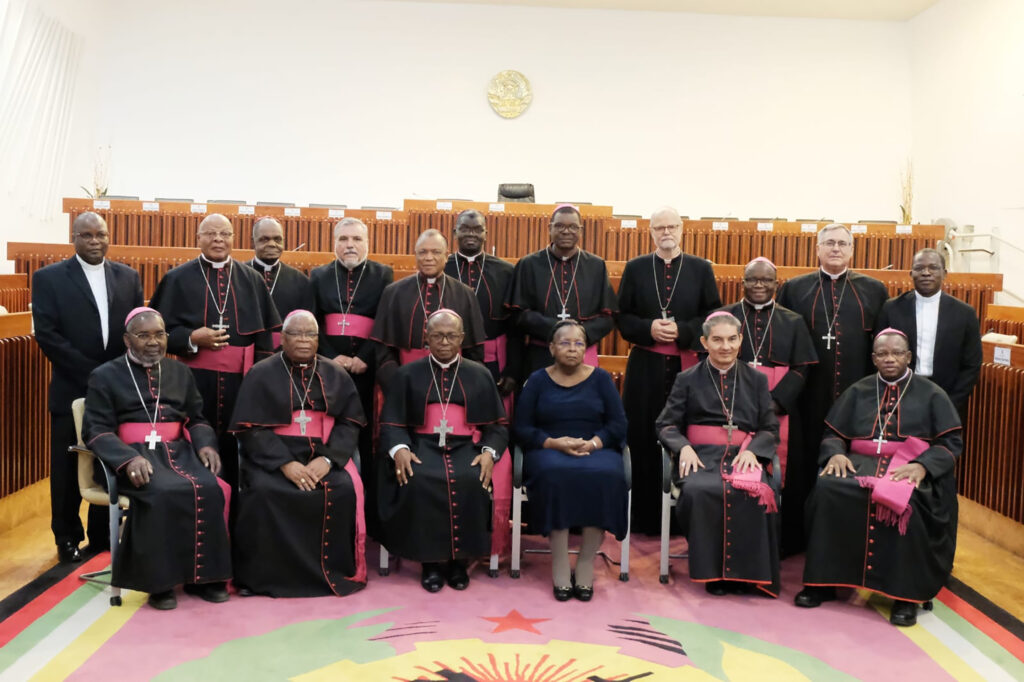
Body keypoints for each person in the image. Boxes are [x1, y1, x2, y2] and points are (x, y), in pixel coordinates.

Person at [795, 329, 963, 627]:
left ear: (909, 356)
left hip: (908, 466)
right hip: (859, 463)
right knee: (829, 489)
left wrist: (924, 466)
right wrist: (835, 453)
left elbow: (951, 443)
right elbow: (833, 433)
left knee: (911, 499)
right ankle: (822, 582)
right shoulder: (858, 390)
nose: (889, 359)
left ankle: (905, 596)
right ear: (873, 358)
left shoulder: (932, 394)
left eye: (897, 353)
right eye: (882, 354)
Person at [83, 308, 230, 610]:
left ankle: (204, 578)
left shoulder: (179, 372)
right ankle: (160, 585)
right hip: (130, 457)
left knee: (210, 487)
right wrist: (127, 459)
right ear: (127, 339)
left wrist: (206, 445)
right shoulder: (105, 375)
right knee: (161, 492)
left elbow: (197, 418)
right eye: (144, 335)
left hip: (178, 453)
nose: (154, 342)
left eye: (160, 334)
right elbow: (95, 430)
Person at [229, 310, 367, 597]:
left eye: (310, 334)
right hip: (274, 456)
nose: (304, 340)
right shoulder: (261, 373)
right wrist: (285, 464)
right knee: (265, 492)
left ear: (318, 339)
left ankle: (329, 573)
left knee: (341, 489)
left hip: (323, 452)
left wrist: (328, 459)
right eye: (296, 334)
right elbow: (249, 429)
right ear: (283, 338)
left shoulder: (335, 373)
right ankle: (265, 578)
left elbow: (350, 422)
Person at [31, 211, 144, 562]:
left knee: (108, 461)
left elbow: (135, 329)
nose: (95, 241)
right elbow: (48, 336)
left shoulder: (128, 277)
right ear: (74, 237)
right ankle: (66, 536)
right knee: (67, 469)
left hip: (115, 392)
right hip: (72, 387)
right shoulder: (48, 278)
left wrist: (113, 378)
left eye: (101, 235)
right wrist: (96, 375)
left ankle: (101, 535)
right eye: (87, 235)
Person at [378, 310, 508, 593]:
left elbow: (497, 426)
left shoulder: (480, 374)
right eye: (438, 335)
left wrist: (488, 453)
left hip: (467, 446)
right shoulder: (407, 374)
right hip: (421, 445)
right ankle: (431, 563)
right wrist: (400, 449)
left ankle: (460, 562)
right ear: (427, 338)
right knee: (418, 478)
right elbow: (391, 422)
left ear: (462, 338)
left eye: (451, 335)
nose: (445, 341)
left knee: (472, 479)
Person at [776, 224, 888, 552]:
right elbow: (784, 341)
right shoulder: (795, 289)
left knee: (852, 467)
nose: (836, 248)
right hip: (806, 397)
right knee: (802, 464)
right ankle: (797, 537)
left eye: (842, 244)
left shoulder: (874, 290)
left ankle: (846, 542)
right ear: (818, 248)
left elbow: (881, 346)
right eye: (829, 243)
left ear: (852, 250)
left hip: (857, 398)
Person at [149, 213, 280, 490]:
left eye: (225, 233)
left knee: (236, 451)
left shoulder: (252, 279)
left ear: (234, 239)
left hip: (242, 384)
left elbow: (265, 338)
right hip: (193, 382)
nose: (218, 239)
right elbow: (158, 335)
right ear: (198, 238)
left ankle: (234, 521)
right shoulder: (177, 278)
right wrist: (191, 337)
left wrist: (259, 381)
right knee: (194, 446)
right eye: (210, 233)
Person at [656, 312, 781, 597]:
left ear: (740, 341)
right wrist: (683, 446)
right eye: (718, 340)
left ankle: (746, 576)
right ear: (704, 342)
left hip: (743, 456)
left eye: (732, 339)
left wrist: (756, 451)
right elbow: (666, 423)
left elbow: (769, 427)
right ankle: (713, 573)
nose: (725, 346)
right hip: (700, 456)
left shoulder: (756, 379)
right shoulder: (687, 378)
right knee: (701, 490)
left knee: (755, 490)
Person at [615, 206, 720, 534]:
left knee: (686, 434)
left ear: (682, 229)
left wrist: (683, 331)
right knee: (643, 436)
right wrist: (649, 329)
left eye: (671, 226)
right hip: (645, 367)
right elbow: (623, 318)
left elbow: (712, 314)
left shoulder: (701, 268)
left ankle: (682, 520)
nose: (666, 233)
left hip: (685, 365)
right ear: (650, 232)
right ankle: (643, 516)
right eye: (659, 228)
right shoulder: (636, 268)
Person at [513, 320, 628, 601]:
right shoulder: (538, 380)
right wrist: (554, 443)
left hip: (595, 448)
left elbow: (618, 425)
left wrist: (593, 443)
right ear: (551, 348)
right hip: (549, 449)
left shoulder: (600, 379)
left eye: (579, 343)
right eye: (565, 343)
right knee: (555, 475)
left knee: (607, 475)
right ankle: (560, 562)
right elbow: (521, 427)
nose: (573, 349)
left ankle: (586, 561)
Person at [719, 257, 818, 555]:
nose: (759, 285)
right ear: (743, 282)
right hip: (731, 408)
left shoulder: (793, 320)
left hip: (779, 409)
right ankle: (731, 541)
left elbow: (802, 367)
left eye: (766, 280)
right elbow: (710, 360)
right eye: (753, 280)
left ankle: (779, 544)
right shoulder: (725, 318)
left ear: (777, 284)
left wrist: (775, 401)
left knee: (782, 474)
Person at [310, 217, 394, 534]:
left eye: (356, 239)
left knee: (368, 440)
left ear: (367, 243)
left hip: (366, 371)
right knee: (330, 434)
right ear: (334, 243)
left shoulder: (382, 275)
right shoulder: (318, 276)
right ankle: (333, 509)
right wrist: (333, 357)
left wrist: (363, 359)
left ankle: (369, 515)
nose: (350, 245)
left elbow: (384, 322)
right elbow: (313, 322)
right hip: (328, 371)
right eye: (344, 238)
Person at [507, 204, 617, 375]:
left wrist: (578, 334)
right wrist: (555, 329)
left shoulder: (596, 266)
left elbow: (608, 318)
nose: (566, 231)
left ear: (581, 230)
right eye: (559, 226)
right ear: (549, 229)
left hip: (582, 355)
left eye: (573, 226)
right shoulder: (529, 264)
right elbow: (518, 315)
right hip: (540, 355)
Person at [371, 229, 486, 390]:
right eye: (423, 252)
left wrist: (462, 383)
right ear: (415, 255)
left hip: (454, 380)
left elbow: (474, 351)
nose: (428, 257)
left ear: (446, 256)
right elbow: (383, 349)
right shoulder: (393, 292)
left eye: (436, 252)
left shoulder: (465, 294)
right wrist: (397, 383)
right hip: (405, 378)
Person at [876, 248, 982, 422]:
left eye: (933, 267)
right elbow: (878, 355)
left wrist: (952, 401)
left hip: (947, 396)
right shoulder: (891, 308)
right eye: (919, 268)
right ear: (911, 273)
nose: (926, 273)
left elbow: (972, 364)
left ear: (945, 273)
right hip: (899, 393)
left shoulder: (965, 313)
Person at [444, 209, 522, 393]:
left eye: (478, 229)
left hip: (493, 361)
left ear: (486, 234)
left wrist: (512, 371)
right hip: (447, 357)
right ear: (455, 233)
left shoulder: (506, 271)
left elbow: (516, 326)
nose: (471, 234)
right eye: (465, 229)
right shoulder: (443, 268)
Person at [244, 217, 313, 347]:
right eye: (264, 239)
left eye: (277, 239)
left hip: (285, 351)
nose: (272, 244)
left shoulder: (300, 281)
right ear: (253, 242)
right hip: (247, 348)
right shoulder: (239, 275)